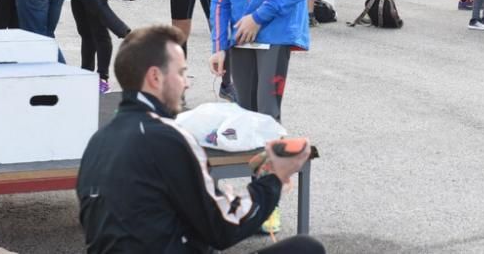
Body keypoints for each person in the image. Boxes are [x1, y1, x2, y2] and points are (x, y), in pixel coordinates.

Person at [76, 24, 323, 254]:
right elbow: (223, 227)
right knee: (305, 247)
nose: (186, 85)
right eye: (182, 73)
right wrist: (275, 178)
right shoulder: (168, 138)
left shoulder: (98, 142)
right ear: (155, 77)